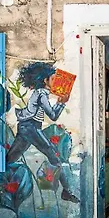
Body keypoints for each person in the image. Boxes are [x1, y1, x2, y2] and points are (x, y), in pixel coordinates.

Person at [7, 62, 79, 203]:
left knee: (10, 159)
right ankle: (66, 191)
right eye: (52, 79)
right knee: (54, 156)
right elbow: (53, 116)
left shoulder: (40, 93)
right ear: (45, 81)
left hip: (27, 127)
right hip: (31, 127)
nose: (56, 81)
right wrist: (61, 102)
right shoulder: (41, 94)